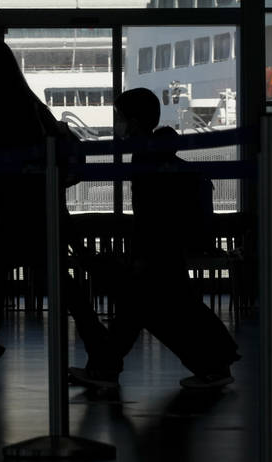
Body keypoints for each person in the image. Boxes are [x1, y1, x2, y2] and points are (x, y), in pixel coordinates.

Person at [0, 38, 101, 390]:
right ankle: (102, 351)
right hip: (39, 205)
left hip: (16, 208)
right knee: (56, 284)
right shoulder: (26, 100)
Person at [69, 88, 240, 391]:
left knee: (153, 310)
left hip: (157, 247)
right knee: (155, 309)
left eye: (120, 117)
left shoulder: (147, 155)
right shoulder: (153, 150)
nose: (117, 123)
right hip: (163, 246)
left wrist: (142, 254)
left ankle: (212, 365)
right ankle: (214, 363)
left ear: (134, 121)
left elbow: (152, 212)